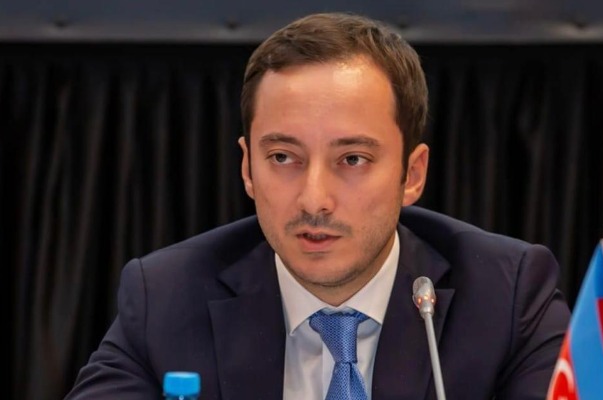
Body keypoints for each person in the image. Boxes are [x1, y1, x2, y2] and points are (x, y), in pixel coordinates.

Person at [65, 12, 571, 400]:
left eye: (352, 159)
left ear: (412, 174)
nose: (314, 200)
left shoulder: (506, 296)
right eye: (283, 157)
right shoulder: (167, 298)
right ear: (247, 167)